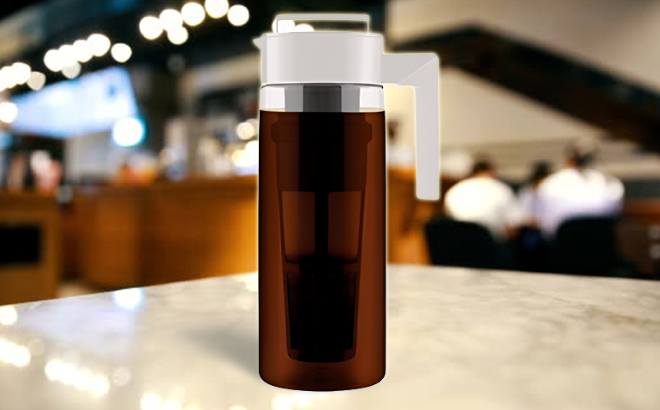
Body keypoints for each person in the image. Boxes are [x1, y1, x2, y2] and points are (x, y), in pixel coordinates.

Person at [534, 143, 624, 236]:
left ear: (569, 160)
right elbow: (615, 215)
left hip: (566, 240)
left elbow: (545, 224)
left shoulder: (550, 183)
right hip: (601, 240)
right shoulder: (611, 182)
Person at [444, 158, 524, 239]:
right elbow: (513, 226)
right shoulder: (500, 188)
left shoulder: (456, 188)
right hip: (490, 242)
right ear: (492, 172)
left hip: (458, 240)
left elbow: (448, 218)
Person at [518, 161, 552, 225]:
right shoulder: (527, 192)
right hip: (530, 226)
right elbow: (521, 214)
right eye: (540, 179)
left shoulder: (551, 193)